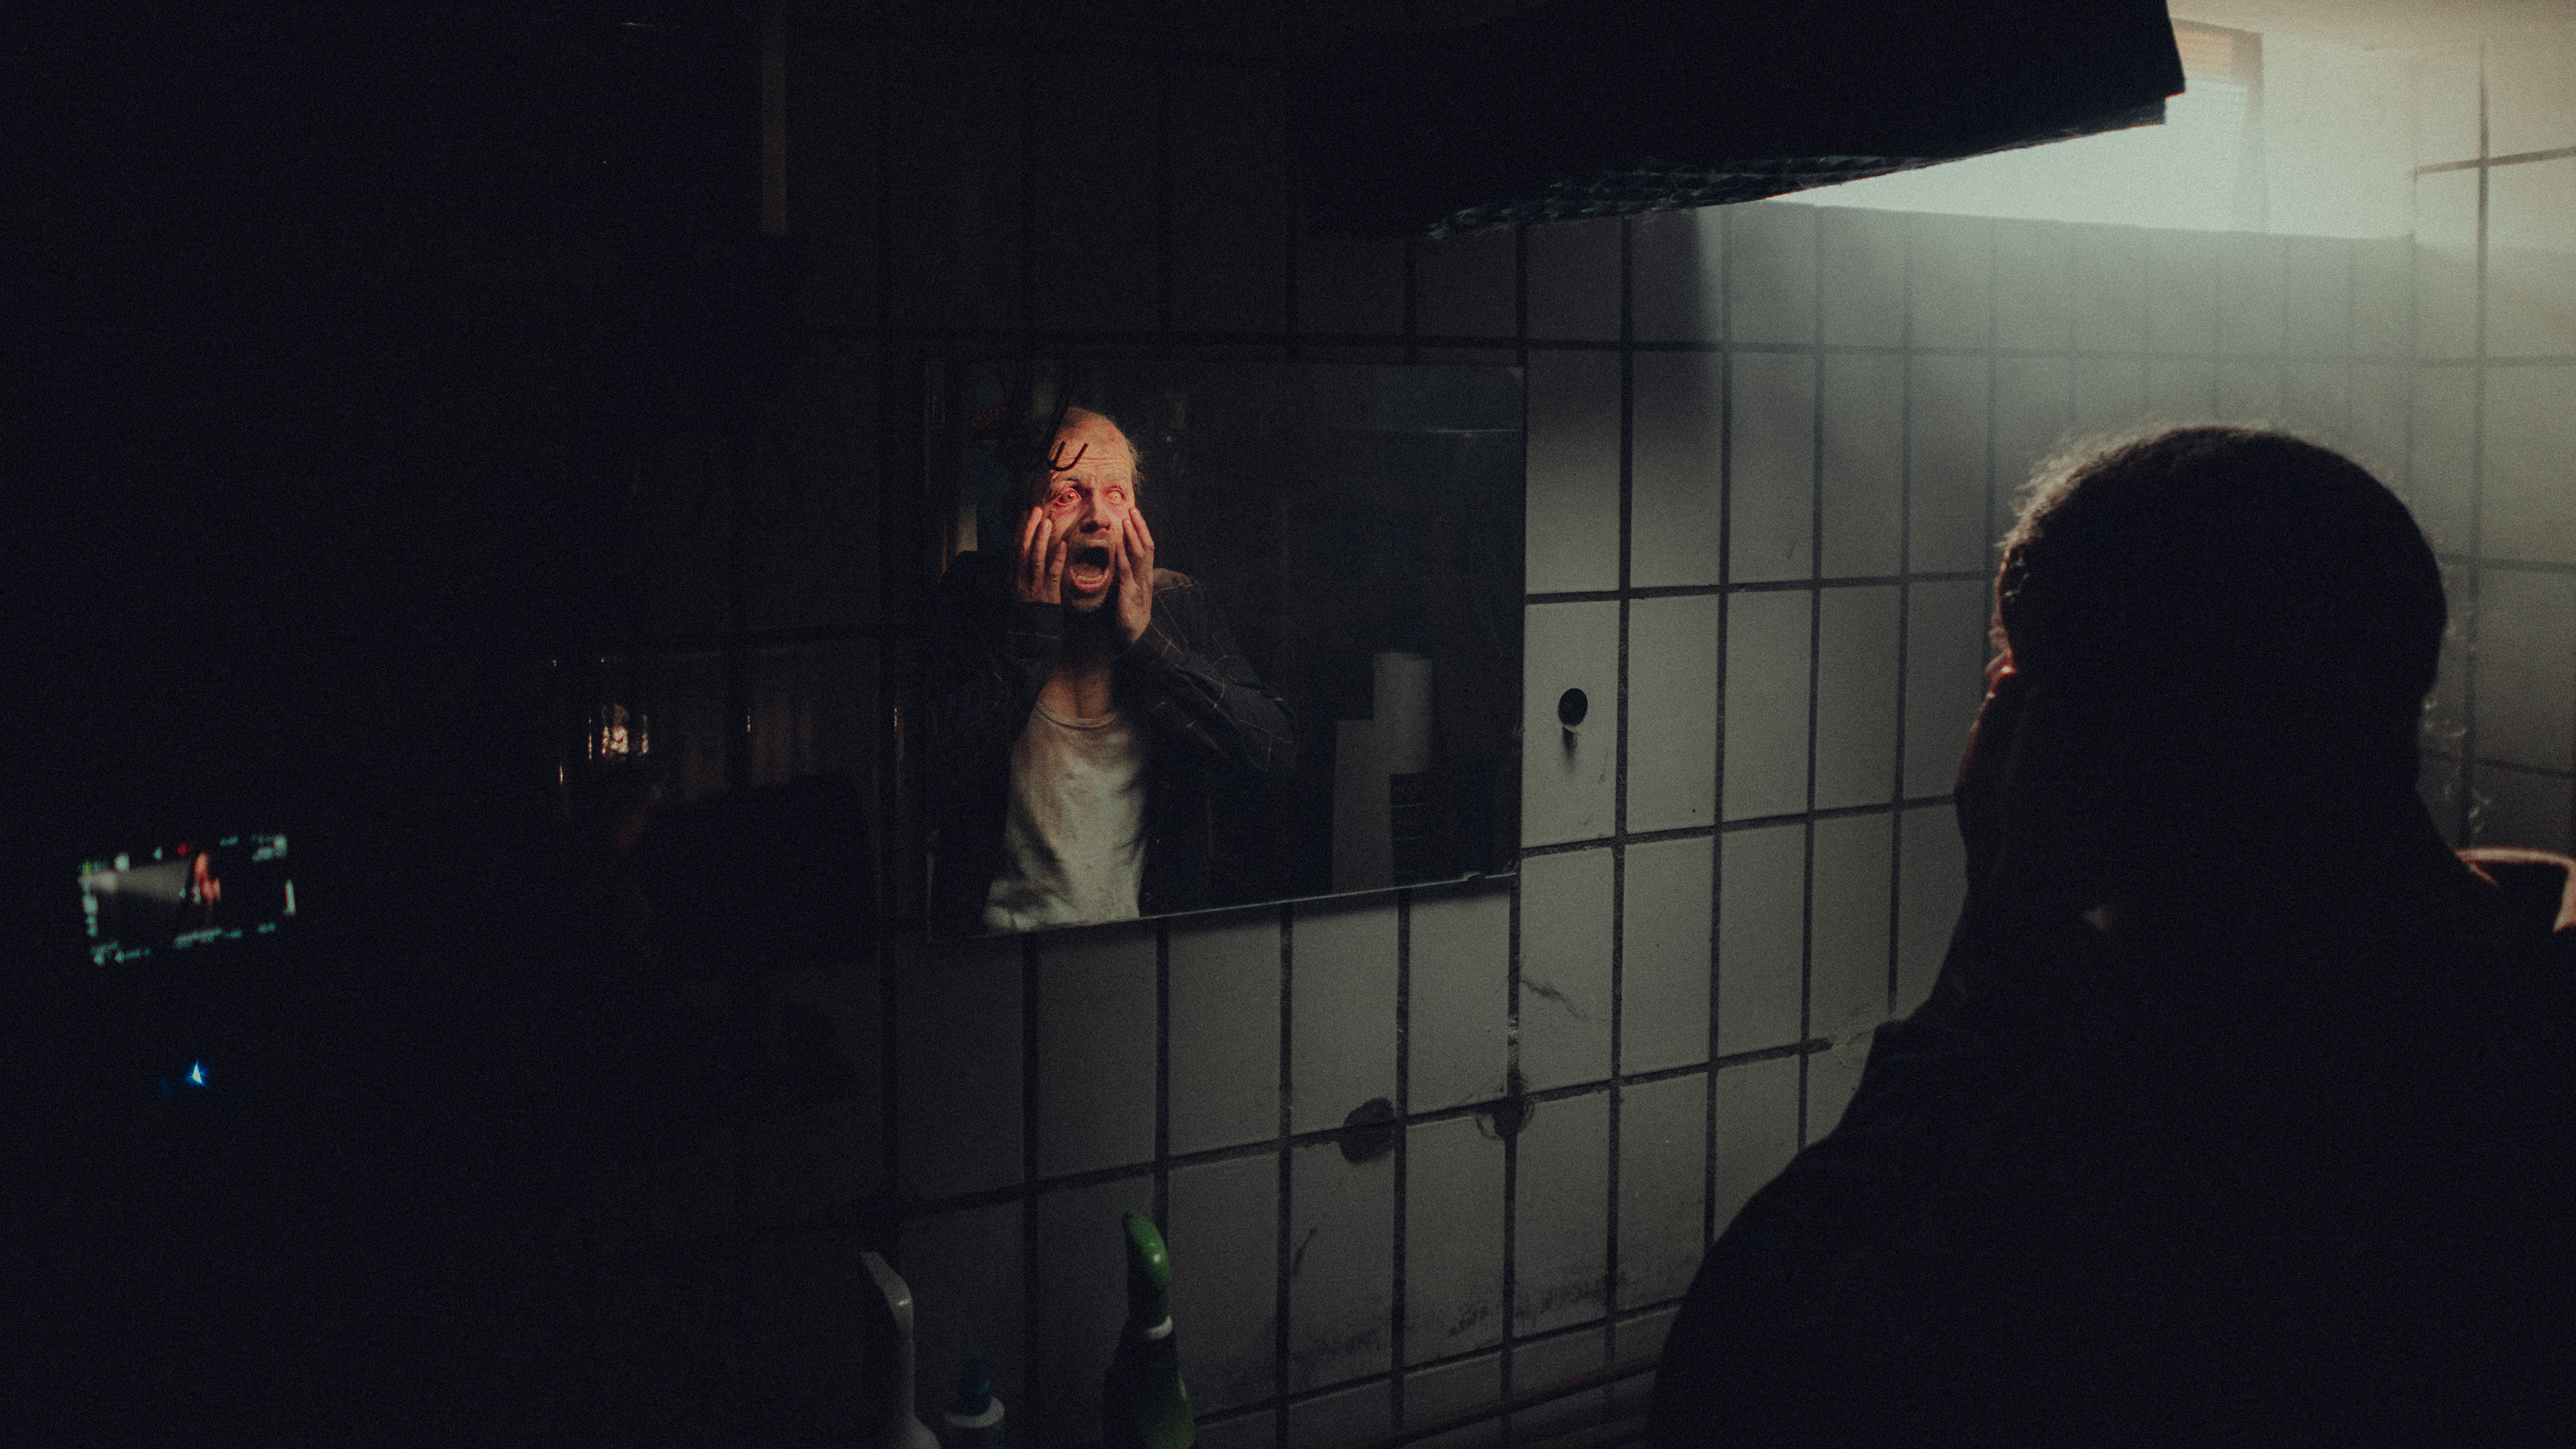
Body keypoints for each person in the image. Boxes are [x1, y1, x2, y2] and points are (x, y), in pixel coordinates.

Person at [1648, 427, 2576, 1447]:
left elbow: (1737, 1382)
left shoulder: (2149, 1124)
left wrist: (1996, 941)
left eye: (2024, 687)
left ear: (2088, 747)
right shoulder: (2515, 982)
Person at [925, 406, 1296, 934]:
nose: (1098, 516)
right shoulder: (973, 598)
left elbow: (1274, 753)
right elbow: (928, 783)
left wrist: (1146, 643)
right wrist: (1031, 637)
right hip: (996, 955)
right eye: (1068, 495)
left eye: (1116, 494)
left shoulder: (1177, 604)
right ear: (1017, 517)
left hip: (1143, 951)